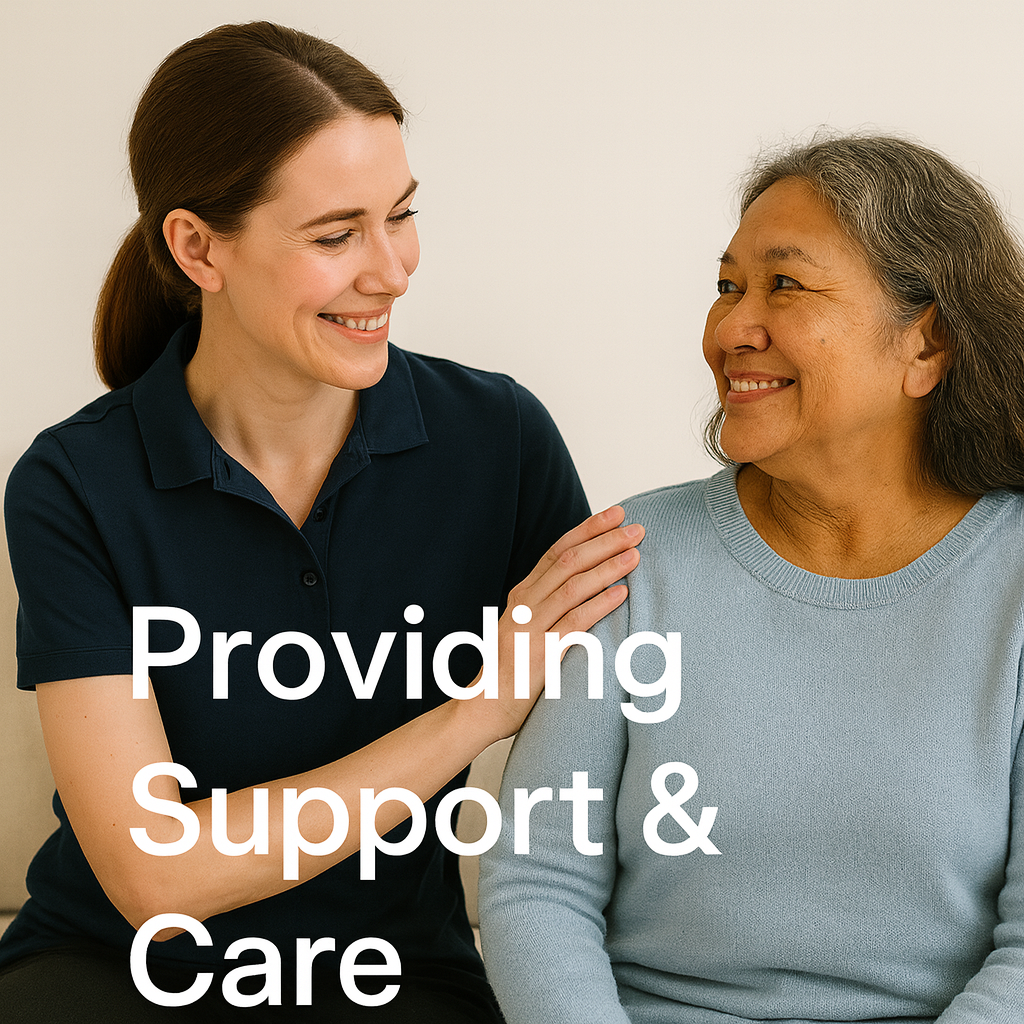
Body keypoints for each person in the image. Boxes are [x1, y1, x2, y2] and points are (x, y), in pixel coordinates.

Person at [0, 21, 643, 1022]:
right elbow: (155, 879)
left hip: (397, 974)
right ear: (197, 246)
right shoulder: (73, 483)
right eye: (336, 235)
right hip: (113, 972)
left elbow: (632, 737)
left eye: (402, 214)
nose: (391, 270)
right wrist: (478, 708)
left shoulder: (498, 441)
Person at [479, 134, 1024, 1023]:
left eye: (787, 285)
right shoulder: (632, 556)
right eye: (729, 286)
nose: (732, 328)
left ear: (927, 344)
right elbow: (537, 881)